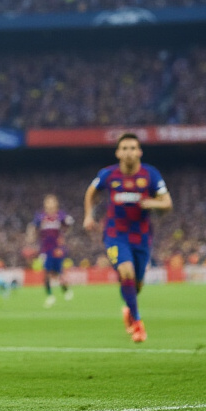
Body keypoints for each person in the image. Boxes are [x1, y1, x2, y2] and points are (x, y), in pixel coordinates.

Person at [83, 133, 171, 343]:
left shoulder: (150, 175)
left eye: (133, 148)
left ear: (139, 151)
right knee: (126, 272)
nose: (129, 152)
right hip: (115, 234)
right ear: (118, 152)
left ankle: (128, 310)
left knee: (136, 284)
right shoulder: (108, 174)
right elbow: (90, 192)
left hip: (141, 236)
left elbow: (167, 203)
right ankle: (138, 324)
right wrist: (88, 215)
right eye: (125, 148)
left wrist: (153, 204)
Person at [28, 194, 75, 308]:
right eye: (48, 202)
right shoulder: (40, 217)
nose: (50, 204)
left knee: (58, 273)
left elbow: (69, 225)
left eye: (52, 202)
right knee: (47, 273)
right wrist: (31, 236)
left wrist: (64, 235)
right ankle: (50, 296)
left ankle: (65, 289)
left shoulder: (60, 215)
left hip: (57, 249)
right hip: (45, 249)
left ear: (56, 204)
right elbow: (33, 227)